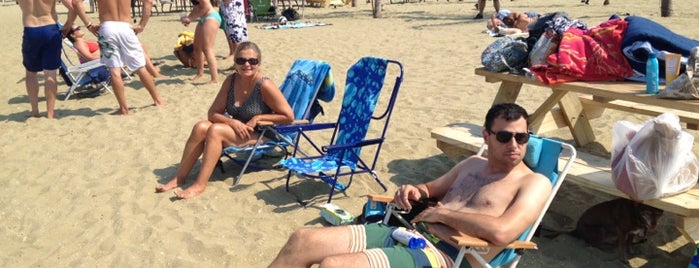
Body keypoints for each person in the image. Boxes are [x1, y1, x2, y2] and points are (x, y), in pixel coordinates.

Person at [269, 103, 553, 268]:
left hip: (449, 256)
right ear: (487, 136)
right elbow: (428, 189)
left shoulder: (533, 182)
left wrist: (442, 215)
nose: (514, 145)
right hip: (409, 231)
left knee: (335, 266)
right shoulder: (472, 164)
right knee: (303, 239)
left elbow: (502, 233)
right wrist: (412, 190)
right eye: (504, 137)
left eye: (522, 137)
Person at [155, 41, 294, 199]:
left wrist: (259, 117)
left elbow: (288, 116)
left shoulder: (264, 85)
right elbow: (213, 113)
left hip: (263, 134)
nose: (246, 64)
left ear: (259, 63)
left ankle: (199, 185)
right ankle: (180, 177)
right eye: (241, 60)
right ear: (235, 62)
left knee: (215, 130)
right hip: (239, 130)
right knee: (201, 127)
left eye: (252, 61)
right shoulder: (232, 80)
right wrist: (232, 122)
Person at [70, 0, 166, 115]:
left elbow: (76, 2)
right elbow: (149, 2)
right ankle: (157, 100)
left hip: (107, 28)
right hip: (126, 27)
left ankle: (123, 108)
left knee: (114, 69)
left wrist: (89, 25)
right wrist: (142, 25)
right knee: (140, 67)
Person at [19, 0, 64, 119]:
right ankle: (50, 113)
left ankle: (35, 111)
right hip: (50, 27)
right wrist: (69, 24)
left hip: (30, 29)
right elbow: (73, 5)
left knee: (31, 72)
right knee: (50, 73)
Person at [66, 25, 163, 78]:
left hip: (107, 55)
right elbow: (90, 58)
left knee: (139, 45)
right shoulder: (79, 43)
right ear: (73, 35)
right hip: (100, 63)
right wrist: (105, 52)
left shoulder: (83, 40)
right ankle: (150, 69)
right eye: (77, 29)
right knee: (138, 47)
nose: (80, 28)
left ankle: (148, 63)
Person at [180, 0, 221, 83]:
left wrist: (190, 18)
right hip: (203, 18)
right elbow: (196, 7)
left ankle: (214, 78)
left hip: (211, 17)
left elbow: (205, 8)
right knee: (197, 48)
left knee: (207, 49)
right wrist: (189, 18)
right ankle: (200, 73)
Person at [219, 0, 249, 65]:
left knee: (236, 39)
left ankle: (239, 63)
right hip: (229, 11)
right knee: (233, 38)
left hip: (233, 10)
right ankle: (236, 63)